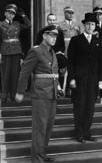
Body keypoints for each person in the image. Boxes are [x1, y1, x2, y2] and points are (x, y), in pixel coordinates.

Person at [15, 25, 60, 163]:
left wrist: (58, 87)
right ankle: (37, 158)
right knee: (40, 127)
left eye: (55, 36)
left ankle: (42, 153)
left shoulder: (52, 52)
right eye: (51, 35)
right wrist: (20, 92)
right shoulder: (36, 51)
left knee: (48, 127)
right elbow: (24, 73)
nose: (54, 38)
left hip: (52, 94)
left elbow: (53, 74)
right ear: (44, 36)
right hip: (40, 94)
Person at [67, 12, 102, 143]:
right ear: (84, 25)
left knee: (90, 106)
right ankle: (79, 133)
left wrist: (101, 80)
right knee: (79, 105)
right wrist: (71, 78)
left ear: (95, 26)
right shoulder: (75, 40)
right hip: (79, 79)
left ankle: (87, 132)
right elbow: (70, 61)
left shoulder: (99, 42)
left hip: (93, 80)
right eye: (88, 24)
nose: (90, 26)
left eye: (93, 24)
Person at [0, 4, 31, 103]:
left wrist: (23, 16)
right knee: (5, 74)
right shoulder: (0, 24)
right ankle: (4, 95)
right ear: (5, 13)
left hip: (16, 51)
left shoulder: (17, 24)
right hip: (5, 51)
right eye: (9, 13)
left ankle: (13, 95)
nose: (11, 15)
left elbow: (28, 25)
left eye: (13, 13)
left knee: (15, 74)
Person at [59, 6, 80, 96]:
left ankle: (69, 90)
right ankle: (59, 90)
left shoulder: (77, 25)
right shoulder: (60, 25)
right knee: (62, 71)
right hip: (64, 49)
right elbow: (59, 40)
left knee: (72, 70)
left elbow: (79, 38)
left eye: (72, 13)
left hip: (74, 51)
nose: (71, 15)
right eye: (69, 13)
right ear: (65, 13)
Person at [47, 13, 67, 91]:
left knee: (62, 62)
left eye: (53, 20)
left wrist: (60, 52)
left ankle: (59, 89)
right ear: (47, 21)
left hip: (57, 54)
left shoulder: (60, 32)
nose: (52, 22)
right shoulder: (43, 32)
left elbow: (62, 46)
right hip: (47, 54)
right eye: (50, 20)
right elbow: (39, 45)